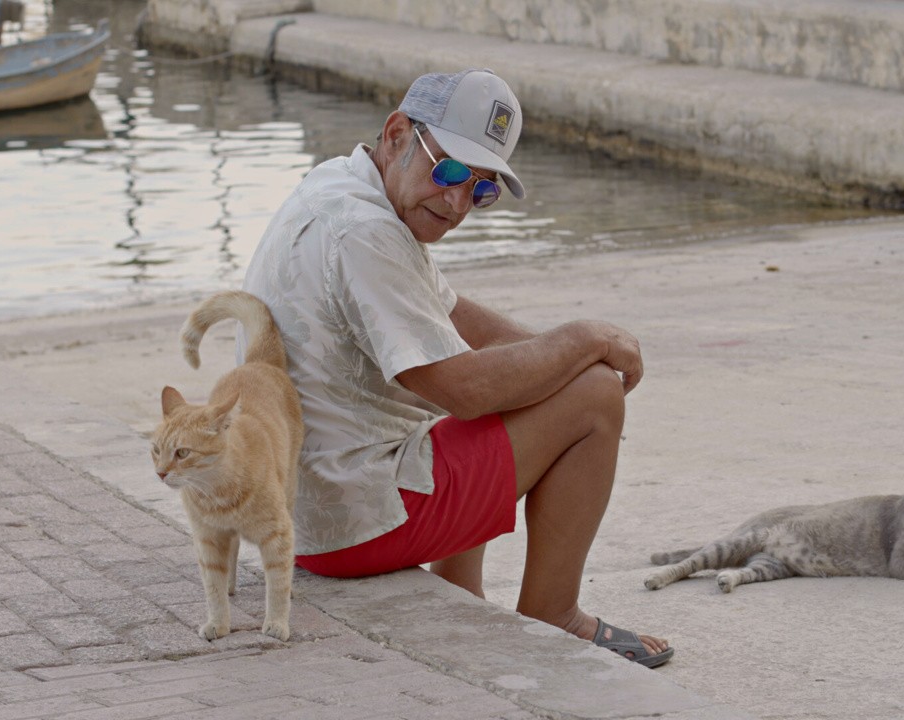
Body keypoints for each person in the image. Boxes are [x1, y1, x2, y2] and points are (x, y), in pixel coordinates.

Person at [240, 68, 672, 667]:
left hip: (305, 508)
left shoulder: (344, 183)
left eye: (482, 189)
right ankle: (556, 613)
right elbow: (464, 390)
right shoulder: (365, 231)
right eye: (447, 172)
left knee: (538, 381)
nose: (457, 202)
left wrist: (566, 361)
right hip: (347, 526)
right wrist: (586, 343)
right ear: (397, 134)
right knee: (595, 396)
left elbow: (456, 316)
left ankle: (459, 593)